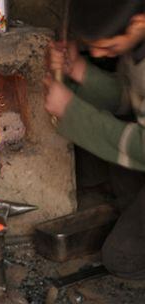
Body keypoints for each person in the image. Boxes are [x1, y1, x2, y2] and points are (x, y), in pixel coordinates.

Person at [44, 0, 145, 279]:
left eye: (108, 47)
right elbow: (133, 98)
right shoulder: (137, 38)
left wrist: (71, 111)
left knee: (122, 258)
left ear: (138, 23)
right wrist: (80, 71)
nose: (99, 54)